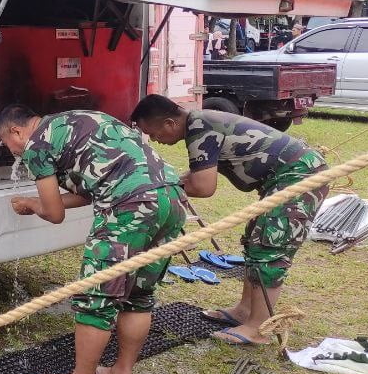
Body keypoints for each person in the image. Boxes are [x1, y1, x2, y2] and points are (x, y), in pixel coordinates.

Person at [0, 105, 185, 374]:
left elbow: (54, 214)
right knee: (138, 295)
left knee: (96, 296)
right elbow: (89, 190)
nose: (10, 151)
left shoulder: (36, 145)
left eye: (6, 142)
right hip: (171, 198)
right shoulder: (76, 120)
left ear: (16, 131)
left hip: (130, 206)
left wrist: (32, 205)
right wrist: (39, 200)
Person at [130, 94, 328, 346]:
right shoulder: (199, 122)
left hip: (300, 176)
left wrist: (155, 192)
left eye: (153, 133)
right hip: (285, 177)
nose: (156, 140)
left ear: (169, 123)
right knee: (255, 240)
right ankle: (245, 312)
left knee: (269, 247)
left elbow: (203, 186)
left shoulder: (199, 127)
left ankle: (257, 328)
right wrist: (167, 184)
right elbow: (197, 173)